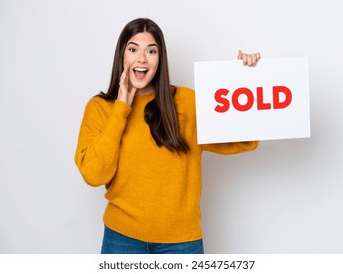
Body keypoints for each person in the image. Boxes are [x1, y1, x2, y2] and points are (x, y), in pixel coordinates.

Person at [74, 18, 260, 254]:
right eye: (133, 49)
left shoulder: (186, 103)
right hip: (121, 239)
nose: (141, 58)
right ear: (121, 55)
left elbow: (242, 139)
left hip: (182, 242)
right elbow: (94, 174)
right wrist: (122, 108)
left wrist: (249, 81)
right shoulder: (100, 108)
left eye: (151, 51)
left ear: (160, 59)